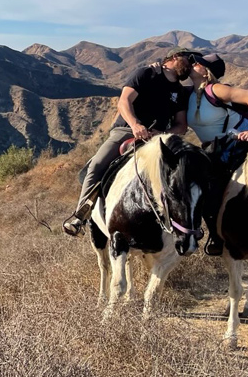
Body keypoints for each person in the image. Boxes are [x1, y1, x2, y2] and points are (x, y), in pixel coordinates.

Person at [62, 47, 192, 236]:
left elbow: (181, 126)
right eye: (187, 59)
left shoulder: (179, 92)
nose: (190, 64)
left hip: (157, 138)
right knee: (97, 164)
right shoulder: (146, 74)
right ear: (174, 57)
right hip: (126, 131)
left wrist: (162, 132)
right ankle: (80, 215)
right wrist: (135, 125)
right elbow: (124, 102)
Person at [185, 52, 248, 254]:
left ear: (206, 72)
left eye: (198, 64)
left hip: (232, 146)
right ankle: (215, 233)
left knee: (215, 189)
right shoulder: (190, 94)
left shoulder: (215, 89)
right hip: (212, 150)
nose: (193, 64)